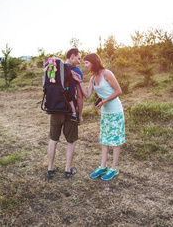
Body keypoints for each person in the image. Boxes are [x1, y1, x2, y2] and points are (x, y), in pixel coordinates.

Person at [71, 53, 124, 181]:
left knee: (115, 140)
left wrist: (104, 101)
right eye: (84, 63)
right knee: (105, 139)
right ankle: (103, 166)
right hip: (105, 113)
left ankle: (114, 168)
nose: (85, 65)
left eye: (86, 63)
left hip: (115, 111)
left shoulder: (107, 73)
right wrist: (79, 82)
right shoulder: (93, 78)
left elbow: (119, 91)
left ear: (93, 62)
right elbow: (87, 95)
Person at [47, 48, 83, 179]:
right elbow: (79, 96)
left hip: (55, 108)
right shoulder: (76, 71)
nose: (79, 61)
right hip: (69, 110)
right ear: (72, 56)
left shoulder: (54, 69)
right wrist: (79, 114)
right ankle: (68, 170)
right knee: (70, 141)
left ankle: (50, 169)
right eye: (78, 58)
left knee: (53, 140)